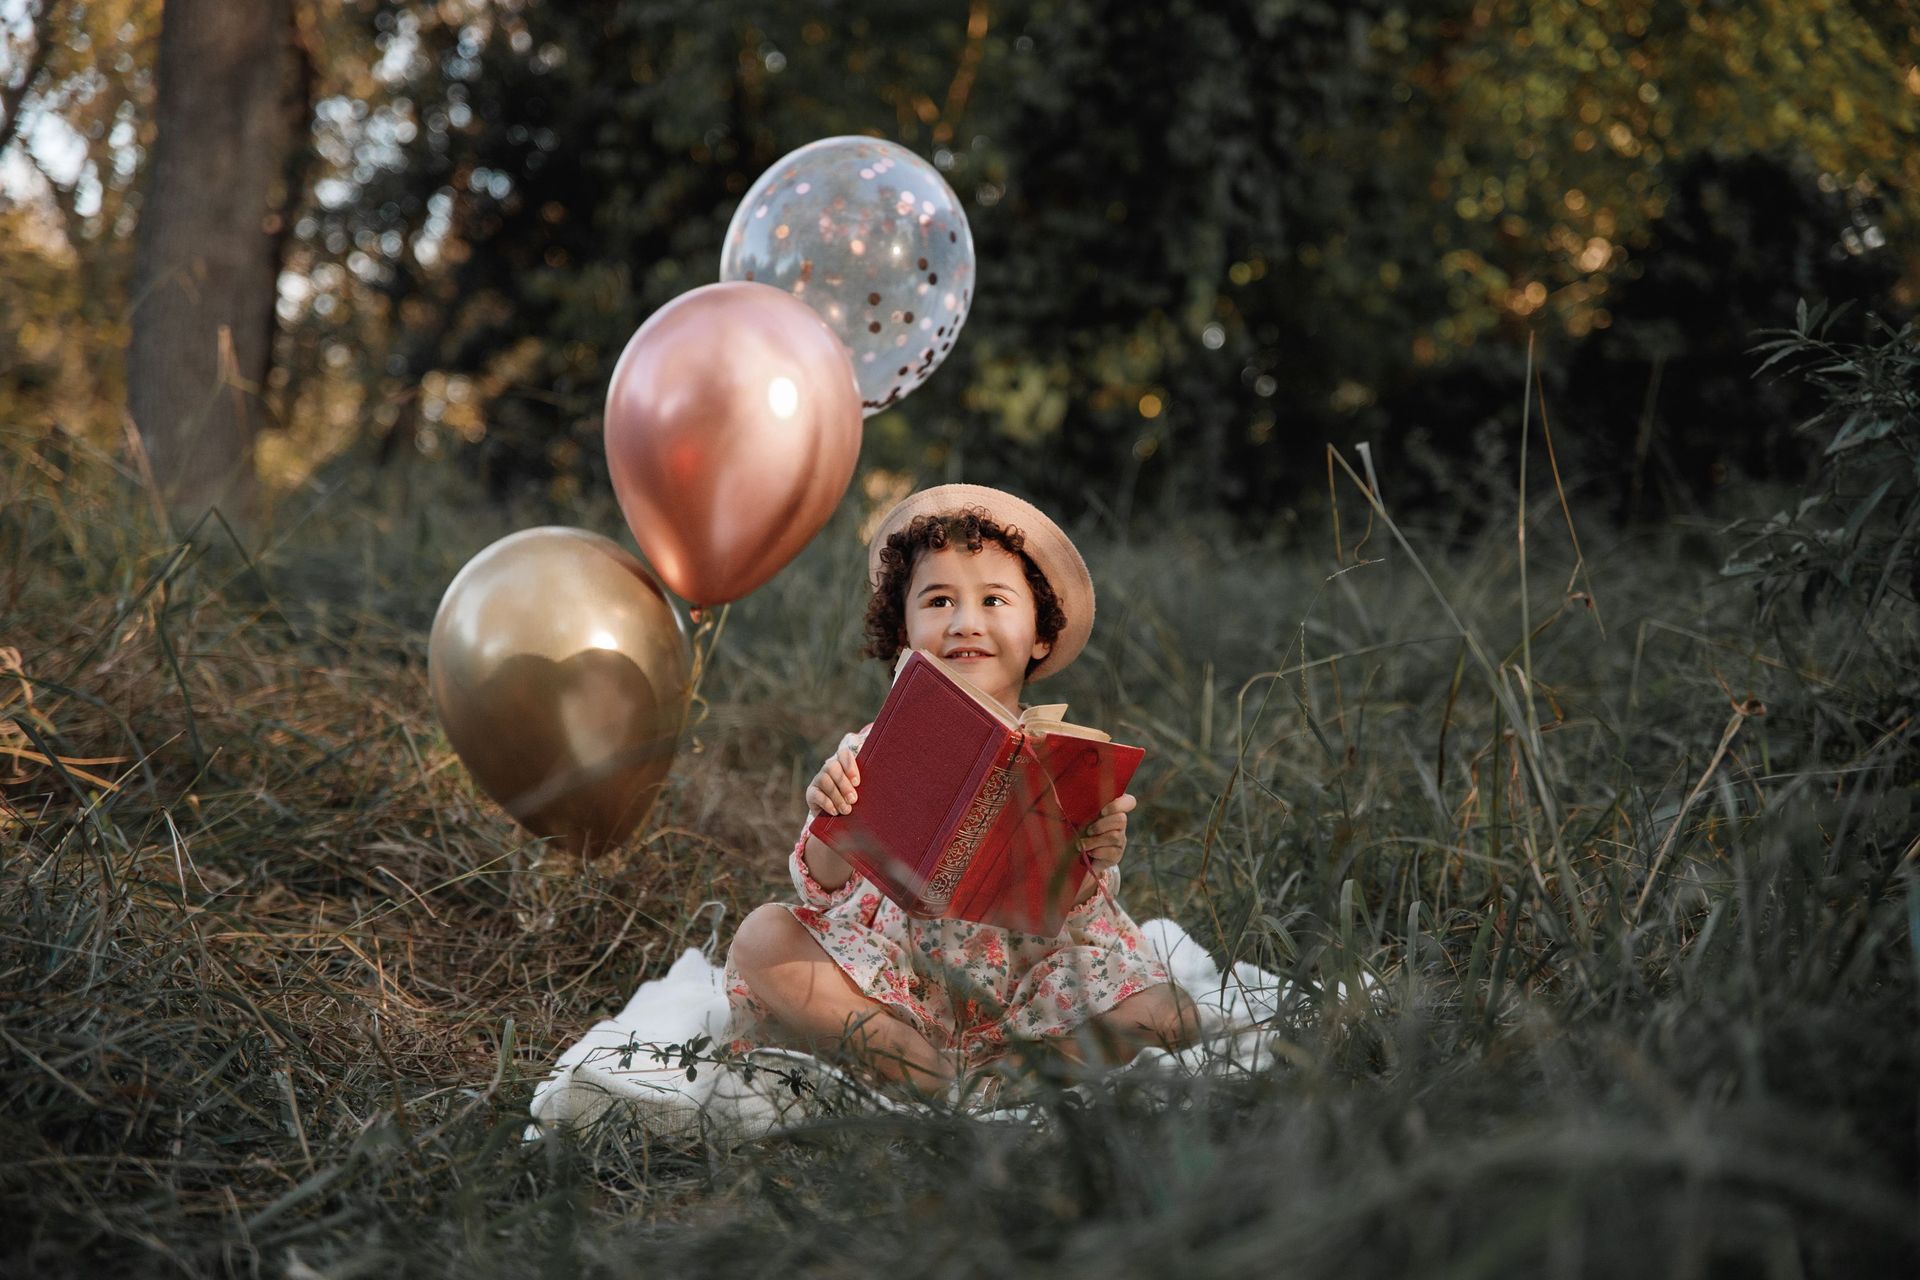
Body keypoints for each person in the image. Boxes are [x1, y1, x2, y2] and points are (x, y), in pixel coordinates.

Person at [723, 484, 1200, 1097]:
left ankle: (1019, 1074)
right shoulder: (873, 744)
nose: (965, 623)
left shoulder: (1064, 756)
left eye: (994, 600)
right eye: (939, 600)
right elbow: (820, 884)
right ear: (904, 630)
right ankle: (914, 1060)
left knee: (1171, 1013)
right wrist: (830, 816)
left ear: (1041, 635)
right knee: (763, 937)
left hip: (1027, 983)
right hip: (893, 976)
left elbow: (1078, 908)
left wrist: (1095, 856)